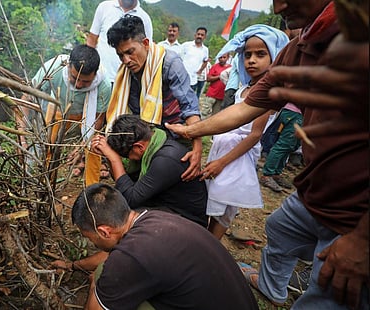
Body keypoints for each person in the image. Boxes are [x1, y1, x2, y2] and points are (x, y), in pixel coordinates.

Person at [165, 0, 369, 308]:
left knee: (328, 293)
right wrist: (191, 131)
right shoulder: (299, 48)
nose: (279, 5)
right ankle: (273, 287)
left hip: (355, 216)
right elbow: (246, 108)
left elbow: (255, 131)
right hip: (314, 195)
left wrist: (362, 241)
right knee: (279, 227)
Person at [72, 183, 259, 310]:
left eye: (89, 237)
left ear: (104, 231)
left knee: (103, 281)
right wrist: (73, 266)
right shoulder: (153, 217)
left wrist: (95, 287)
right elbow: (112, 256)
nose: (92, 243)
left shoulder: (130, 258)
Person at [203, 24, 289, 240]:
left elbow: (254, 135)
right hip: (224, 149)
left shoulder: (267, 93)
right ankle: (205, 241)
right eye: (247, 54)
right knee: (214, 201)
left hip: (237, 157)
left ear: (275, 56)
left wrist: (222, 162)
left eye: (260, 54)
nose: (251, 60)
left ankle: (211, 246)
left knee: (224, 210)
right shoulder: (246, 88)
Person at [106, 15, 203, 181]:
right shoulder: (125, 72)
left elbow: (190, 107)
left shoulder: (170, 63)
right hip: (146, 136)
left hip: (175, 132)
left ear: (145, 43)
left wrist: (197, 148)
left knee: (179, 177)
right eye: (121, 55)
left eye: (130, 52)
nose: (126, 60)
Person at [91, 114, 208, 227]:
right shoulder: (154, 143)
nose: (127, 159)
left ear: (139, 147)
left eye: (126, 155)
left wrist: (115, 160)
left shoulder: (165, 160)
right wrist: (110, 157)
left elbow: (130, 198)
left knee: (123, 218)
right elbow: (126, 183)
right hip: (165, 205)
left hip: (188, 220)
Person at [19, 45, 111, 185]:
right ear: (68, 66)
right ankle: (41, 182)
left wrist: (81, 147)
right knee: (47, 145)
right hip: (57, 111)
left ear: (95, 74)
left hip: (86, 116)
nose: (79, 85)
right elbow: (26, 99)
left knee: (94, 145)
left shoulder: (103, 85)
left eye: (86, 81)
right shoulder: (54, 68)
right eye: (75, 78)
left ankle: (92, 188)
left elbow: (97, 122)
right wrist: (22, 137)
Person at [86, 0, 153, 85]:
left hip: (128, 82)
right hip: (100, 77)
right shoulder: (104, 7)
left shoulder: (145, 18)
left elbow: (147, 49)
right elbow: (91, 40)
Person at [259, 103, 303, 192]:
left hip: (298, 113)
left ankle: (276, 173)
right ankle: (267, 175)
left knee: (290, 146)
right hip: (294, 112)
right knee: (284, 144)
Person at [181, 27, 209, 97]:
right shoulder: (186, 45)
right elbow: (178, 58)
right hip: (181, 78)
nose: (199, 36)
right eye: (198, 34)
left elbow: (205, 61)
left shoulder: (205, 50)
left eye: (202, 35)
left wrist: (200, 70)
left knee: (189, 99)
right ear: (195, 35)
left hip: (193, 80)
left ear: (205, 37)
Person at [202, 53, 231, 117]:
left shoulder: (230, 68)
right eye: (220, 57)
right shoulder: (215, 66)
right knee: (205, 112)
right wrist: (220, 76)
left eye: (224, 57)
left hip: (222, 95)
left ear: (228, 58)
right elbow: (208, 78)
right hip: (211, 93)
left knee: (216, 114)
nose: (222, 59)